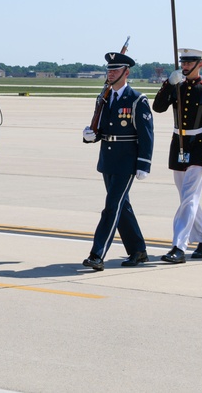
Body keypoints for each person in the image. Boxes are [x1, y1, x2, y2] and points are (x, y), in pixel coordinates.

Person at [81, 50, 154, 271]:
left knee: (111, 207)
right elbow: (102, 128)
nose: (110, 73)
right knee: (122, 207)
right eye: (109, 70)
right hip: (108, 159)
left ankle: (97, 254)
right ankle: (138, 251)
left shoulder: (136, 99)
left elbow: (147, 134)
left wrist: (144, 164)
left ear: (126, 72)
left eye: (115, 70)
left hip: (127, 161)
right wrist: (90, 136)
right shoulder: (104, 97)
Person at [151, 48, 202, 263]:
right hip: (178, 145)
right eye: (183, 63)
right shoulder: (177, 87)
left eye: (189, 63)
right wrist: (168, 84)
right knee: (187, 198)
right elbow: (158, 107)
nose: (184, 67)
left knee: (189, 199)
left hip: (200, 146)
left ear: (199, 64)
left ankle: (179, 246)